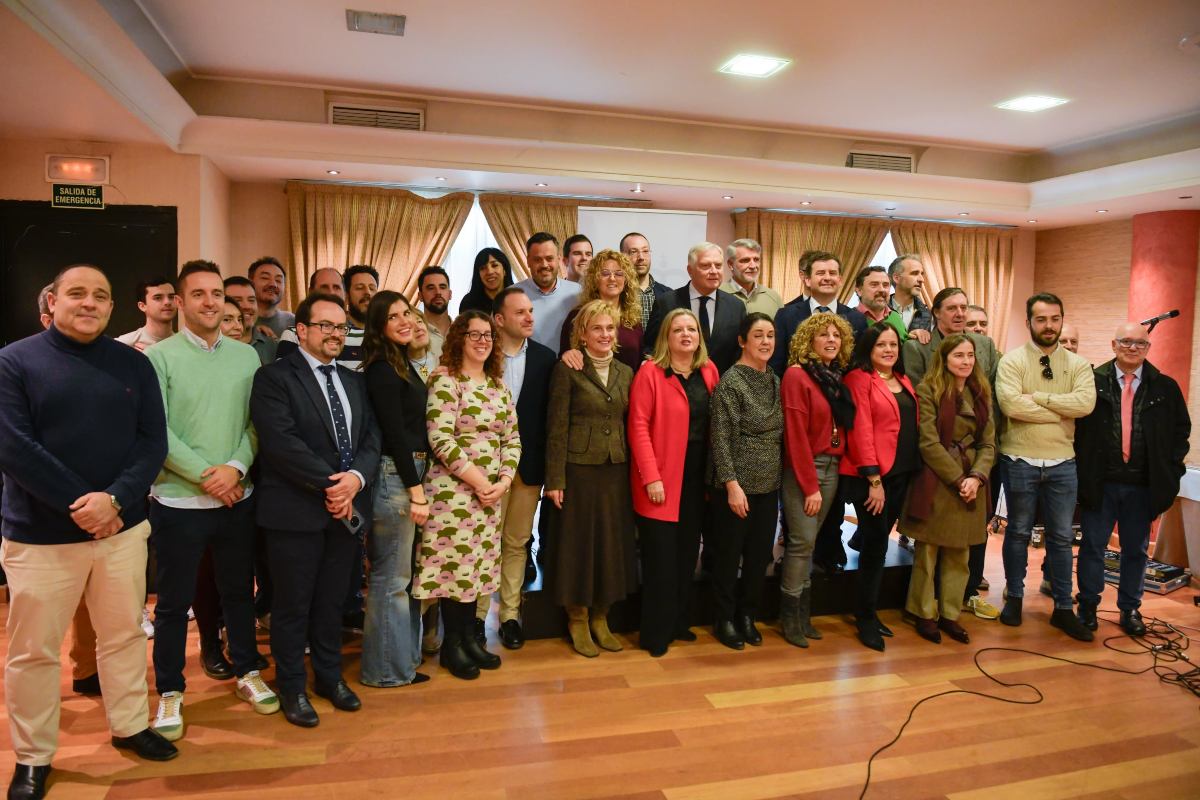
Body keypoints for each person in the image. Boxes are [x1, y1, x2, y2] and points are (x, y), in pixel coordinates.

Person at [0, 265, 176, 800]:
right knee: (33, 652)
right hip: (40, 536)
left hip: (121, 530)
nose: (90, 303)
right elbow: (13, 446)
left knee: (122, 634)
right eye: (77, 293)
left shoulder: (133, 364)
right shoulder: (14, 361)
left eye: (101, 295)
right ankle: (33, 757)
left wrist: (115, 500)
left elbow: (152, 443)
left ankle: (129, 726)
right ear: (51, 302)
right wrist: (85, 505)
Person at [144, 261, 278, 742]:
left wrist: (235, 470)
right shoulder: (158, 357)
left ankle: (246, 669)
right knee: (173, 603)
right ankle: (170, 691)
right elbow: (156, 432)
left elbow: (256, 425)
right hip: (179, 501)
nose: (210, 302)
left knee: (238, 592)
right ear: (179, 302)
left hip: (235, 498)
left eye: (217, 294)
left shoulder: (246, 358)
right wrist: (207, 476)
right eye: (198, 294)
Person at [250, 292, 381, 727]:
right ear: (301, 330)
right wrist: (334, 485)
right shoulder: (273, 378)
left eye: (341, 327)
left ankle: (328, 678)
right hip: (295, 512)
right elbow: (281, 443)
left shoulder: (354, 381)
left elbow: (369, 441)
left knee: (331, 602)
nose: (335, 334)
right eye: (325, 325)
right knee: (292, 606)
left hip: (343, 514)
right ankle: (291, 687)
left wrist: (355, 481)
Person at [414, 311, 520, 680]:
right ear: (458, 338)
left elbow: (512, 439)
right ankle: (451, 647)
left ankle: (469, 640)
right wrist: (479, 481)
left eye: (488, 334)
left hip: (490, 494)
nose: (482, 340)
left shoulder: (498, 386)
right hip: (453, 493)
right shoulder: (445, 381)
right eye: (473, 334)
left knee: (477, 570)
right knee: (453, 572)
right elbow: (440, 438)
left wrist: (503, 481)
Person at [1074, 323, 1190, 636]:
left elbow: (1181, 433)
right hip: (1101, 482)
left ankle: (1130, 608)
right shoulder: (1091, 382)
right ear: (1114, 345)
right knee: (1093, 547)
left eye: (1140, 343)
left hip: (1142, 486)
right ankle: (1087, 606)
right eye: (1126, 341)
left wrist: (1172, 469)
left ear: (1148, 348)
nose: (1133, 348)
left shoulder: (1164, 388)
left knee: (1136, 550)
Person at [995, 293, 1096, 642]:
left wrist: (1037, 398)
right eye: (1041, 320)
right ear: (1029, 323)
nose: (1049, 326)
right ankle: (1015, 598)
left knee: (1062, 537)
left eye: (1055, 319)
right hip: (1019, 459)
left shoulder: (1079, 366)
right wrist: (1060, 410)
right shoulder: (1011, 362)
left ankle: (1064, 609)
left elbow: (1085, 404)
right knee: (1018, 532)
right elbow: (1010, 405)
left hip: (1063, 463)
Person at [545, 300, 637, 657]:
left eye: (609, 329)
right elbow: (556, 427)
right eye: (596, 328)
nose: (604, 334)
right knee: (578, 546)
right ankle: (578, 619)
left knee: (611, 546)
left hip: (615, 468)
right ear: (582, 333)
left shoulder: (625, 372)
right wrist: (555, 479)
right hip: (577, 469)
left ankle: (602, 616)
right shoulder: (567, 369)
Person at [628, 308, 719, 656]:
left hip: (696, 478)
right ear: (666, 336)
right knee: (660, 562)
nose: (686, 335)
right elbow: (638, 427)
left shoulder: (709, 371)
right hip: (661, 479)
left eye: (691, 329)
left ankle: (680, 622)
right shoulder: (651, 373)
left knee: (685, 557)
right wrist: (651, 476)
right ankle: (655, 633)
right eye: (678, 329)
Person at [900, 335, 995, 645]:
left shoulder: (981, 391)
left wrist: (977, 477)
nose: (966, 361)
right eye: (959, 355)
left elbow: (988, 443)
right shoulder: (929, 390)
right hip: (937, 478)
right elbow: (928, 442)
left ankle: (951, 614)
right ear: (944, 358)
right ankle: (923, 612)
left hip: (972, 478)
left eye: (970, 355)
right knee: (927, 552)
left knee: (960, 553)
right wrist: (958, 479)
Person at [359, 290, 431, 688]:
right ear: (379, 326)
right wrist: (416, 490)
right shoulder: (383, 368)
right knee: (391, 579)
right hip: (396, 477)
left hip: (405, 473)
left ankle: (397, 665)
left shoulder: (400, 362)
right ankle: (384, 671)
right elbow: (395, 436)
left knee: (400, 578)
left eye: (407, 312)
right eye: (394, 317)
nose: (405, 321)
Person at [477, 287, 555, 650]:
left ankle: (509, 616)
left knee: (517, 543)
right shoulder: (480, 356)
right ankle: (477, 619)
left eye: (530, 312)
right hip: (483, 471)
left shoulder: (545, 357)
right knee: (484, 545)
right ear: (498, 319)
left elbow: (547, 419)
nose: (529, 318)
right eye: (520, 312)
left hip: (526, 469)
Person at [778, 312, 855, 648]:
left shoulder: (835, 376)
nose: (831, 340)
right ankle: (790, 617)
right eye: (823, 335)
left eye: (836, 335)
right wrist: (809, 486)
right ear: (808, 341)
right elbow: (795, 437)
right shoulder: (797, 376)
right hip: (805, 469)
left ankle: (803, 615)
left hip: (832, 467)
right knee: (801, 543)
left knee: (809, 543)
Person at [840, 323, 919, 651]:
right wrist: (874, 479)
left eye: (893, 345)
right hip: (873, 479)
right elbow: (861, 432)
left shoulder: (903, 380)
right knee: (875, 548)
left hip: (902, 474)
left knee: (878, 542)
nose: (888, 350)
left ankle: (869, 610)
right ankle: (865, 617)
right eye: (881, 345)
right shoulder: (859, 379)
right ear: (868, 349)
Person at [708, 313, 783, 650]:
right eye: (758, 335)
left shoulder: (775, 381)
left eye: (770, 335)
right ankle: (723, 619)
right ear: (742, 341)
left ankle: (747, 615)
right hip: (735, 487)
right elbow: (720, 439)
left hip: (769, 485)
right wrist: (731, 485)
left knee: (757, 557)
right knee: (727, 557)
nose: (765, 342)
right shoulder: (731, 382)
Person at [645, 242, 747, 374]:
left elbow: (741, 352)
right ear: (690, 270)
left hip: (722, 387)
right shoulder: (666, 302)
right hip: (675, 383)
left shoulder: (736, 306)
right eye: (706, 266)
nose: (714, 271)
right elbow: (650, 347)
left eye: (718, 265)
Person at [769, 250, 868, 375]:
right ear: (808, 280)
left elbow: (859, 367)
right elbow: (776, 365)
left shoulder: (857, 319)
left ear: (840, 280)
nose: (827, 278)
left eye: (832, 273)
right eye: (820, 273)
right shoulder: (785, 315)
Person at [559, 249, 645, 372]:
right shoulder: (578, 316)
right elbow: (564, 356)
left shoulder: (633, 320)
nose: (612, 278)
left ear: (626, 280)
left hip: (628, 389)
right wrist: (566, 355)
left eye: (619, 274)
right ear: (595, 278)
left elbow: (640, 362)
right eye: (605, 273)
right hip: (588, 389)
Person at [901, 288, 999, 387]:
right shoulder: (916, 348)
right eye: (952, 308)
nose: (960, 314)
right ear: (937, 312)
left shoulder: (985, 343)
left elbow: (996, 389)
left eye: (963, 308)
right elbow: (916, 394)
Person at [514, 232, 581, 354]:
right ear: (528, 261)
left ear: (559, 259)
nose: (544, 265)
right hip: (528, 370)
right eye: (537, 259)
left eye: (549, 258)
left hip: (570, 369)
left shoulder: (578, 293)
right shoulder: (512, 295)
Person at [720, 239, 783, 318]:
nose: (753, 266)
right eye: (745, 260)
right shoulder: (716, 295)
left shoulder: (774, 297)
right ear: (730, 264)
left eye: (756, 260)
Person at [621, 232, 671, 329]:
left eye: (645, 251)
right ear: (622, 257)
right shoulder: (616, 294)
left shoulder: (668, 295)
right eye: (633, 252)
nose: (641, 257)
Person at [223, 276, 276, 365]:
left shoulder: (273, 346)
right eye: (237, 300)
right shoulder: (208, 347)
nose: (247, 306)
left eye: (251, 300)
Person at [115, 276, 176, 351]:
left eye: (171, 297)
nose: (167, 302)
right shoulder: (123, 344)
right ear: (142, 306)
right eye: (158, 298)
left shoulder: (185, 346)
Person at [458, 248, 514, 314]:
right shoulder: (468, 303)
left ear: (505, 270)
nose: (489, 272)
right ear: (478, 274)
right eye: (483, 268)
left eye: (494, 265)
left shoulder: (519, 298)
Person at [887, 255, 933, 336]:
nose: (921, 279)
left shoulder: (929, 316)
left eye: (922, 274)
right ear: (896, 278)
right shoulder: (879, 311)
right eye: (914, 273)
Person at [854, 266, 907, 336]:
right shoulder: (848, 319)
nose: (881, 290)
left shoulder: (896, 317)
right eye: (874, 285)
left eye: (885, 285)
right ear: (859, 290)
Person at [248, 256, 293, 338]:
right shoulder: (239, 321)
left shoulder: (292, 321)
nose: (273, 284)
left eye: (278, 280)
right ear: (250, 283)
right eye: (265, 278)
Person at [416, 265, 452, 351]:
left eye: (442, 287)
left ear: (450, 294)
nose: (438, 292)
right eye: (431, 288)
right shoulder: (413, 335)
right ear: (420, 296)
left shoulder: (464, 330)